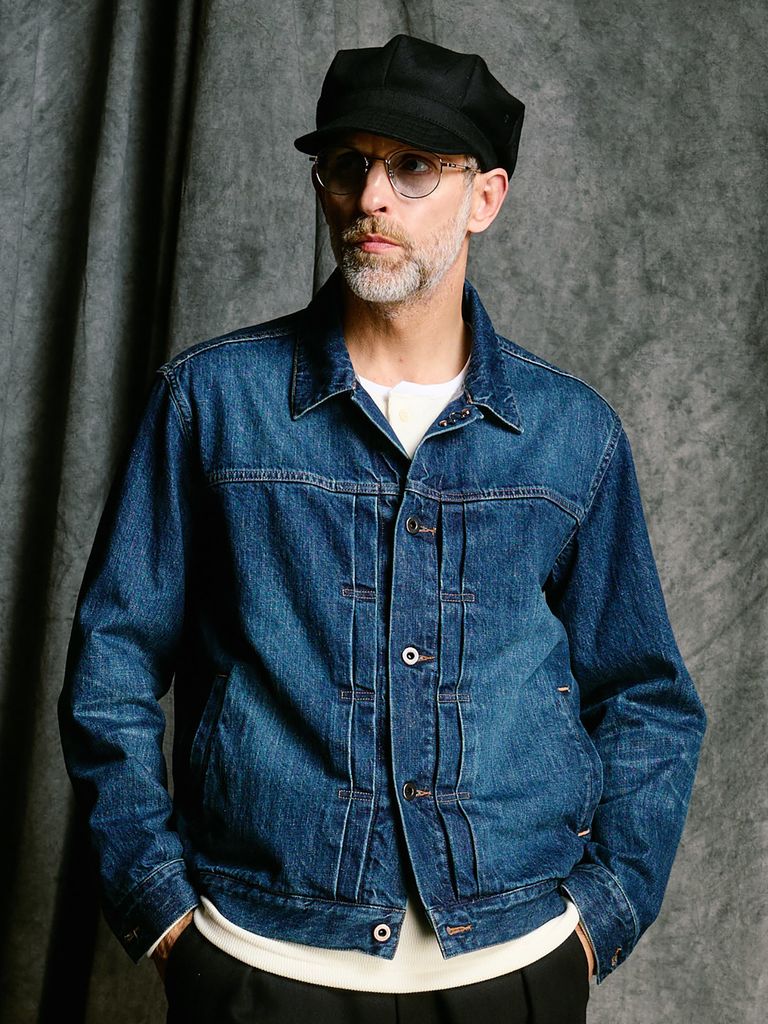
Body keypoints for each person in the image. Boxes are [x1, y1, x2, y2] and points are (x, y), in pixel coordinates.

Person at [58, 33, 707, 1024]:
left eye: (413, 166)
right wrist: (163, 914)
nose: (371, 198)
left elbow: (647, 695)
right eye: (348, 164)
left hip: (513, 961)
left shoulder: (571, 433)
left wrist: (597, 920)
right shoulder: (210, 403)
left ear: (485, 196)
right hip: (259, 957)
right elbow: (112, 665)